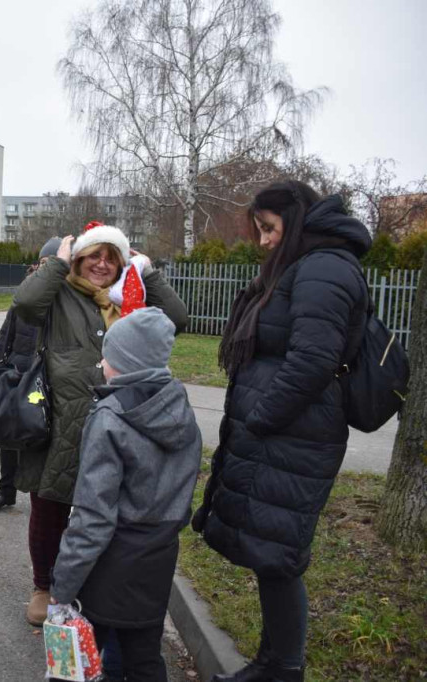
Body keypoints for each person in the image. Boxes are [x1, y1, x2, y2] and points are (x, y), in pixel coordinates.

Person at [192, 182, 371, 682]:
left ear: (296, 220)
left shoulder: (326, 268)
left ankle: (284, 667)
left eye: (269, 228)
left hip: (295, 433)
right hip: (282, 431)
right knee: (271, 552)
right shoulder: (304, 264)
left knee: (280, 555)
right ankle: (272, 662)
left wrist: (262, 417)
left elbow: (313, 360)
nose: (264, 240)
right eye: (260, 230)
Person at [11, 223, 188, 627]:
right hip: (63, 418)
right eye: (94, 255)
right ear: (78, 260)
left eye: (111, 257)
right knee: (51, 504)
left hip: (119, 420)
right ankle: (44, 587)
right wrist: (57, 264)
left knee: (105, 508)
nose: (103, 264)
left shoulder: (130, 297)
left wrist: (147, 273)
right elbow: (25, 303)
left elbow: (176, 319)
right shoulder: (58, 293)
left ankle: (91, 582)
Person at [49, 307, 202, 682]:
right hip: (157, 558)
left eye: (109, 356)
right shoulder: (179, 406)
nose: (102, 361)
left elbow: (93, 515)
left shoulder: (110, 417)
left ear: (127, 364)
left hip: (110, 562)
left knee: (78, 661)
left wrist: (63, 584)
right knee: (144, 656)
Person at [0, 236, 61, 513]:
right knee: (9, 433)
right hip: (17, 370)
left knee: (40, 433)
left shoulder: (65, 296)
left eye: (52, 262)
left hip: (48, 378)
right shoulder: (27, 293)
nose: (45, 268)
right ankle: (6, 491)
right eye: (42, 262)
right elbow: (6, 333)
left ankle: (44, 494)